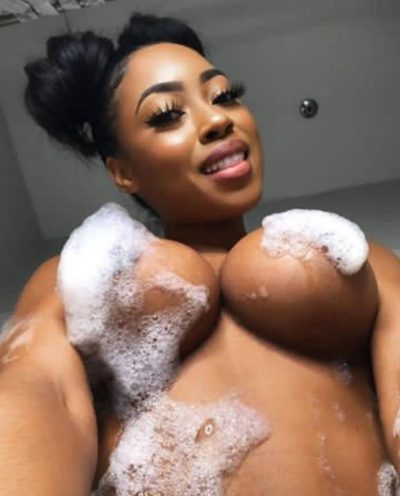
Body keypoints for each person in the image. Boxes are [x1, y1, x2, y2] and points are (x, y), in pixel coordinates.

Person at [1, 11, 400, 496]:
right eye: (167, 114)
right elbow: (37, 390)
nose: (218, 119)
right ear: (123, 171)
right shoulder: (77, 279)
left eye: (224, 95)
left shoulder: (359, 259)